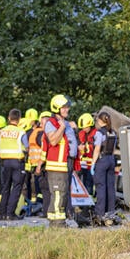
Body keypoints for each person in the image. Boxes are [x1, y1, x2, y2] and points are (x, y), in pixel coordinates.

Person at [42, 94, 78, 227]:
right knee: (58, 193)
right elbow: (53, 140)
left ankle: (57, 221)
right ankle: (57, 223)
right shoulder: (51, 123)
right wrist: (62, 128)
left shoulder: (65, 122)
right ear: (56, 108)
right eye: (64, 108)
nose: (67, 110)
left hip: (66, 163)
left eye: (67, 107)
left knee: (63, 193)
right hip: (57, 164)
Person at [0, 109, 28, 221]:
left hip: (4, 162)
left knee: (5, 187)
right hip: (17, 162)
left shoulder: (1, 132)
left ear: (9, 118)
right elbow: (27, 147)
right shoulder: (21, 132)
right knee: (16, 188)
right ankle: (10, 213)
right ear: (19, 119)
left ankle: (2, 214)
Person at [91, 111, 120, 226]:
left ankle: (100, 213)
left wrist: (93, 163)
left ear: (99, 121)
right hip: (111, 160)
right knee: (110, 187)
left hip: (102, 160)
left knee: (100, 187)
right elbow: (113, 149)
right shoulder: (112, 132)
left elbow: (97, 149)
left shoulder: (99, 133)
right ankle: (110, 212)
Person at [76, 112, 96, 196]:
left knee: (90, 185)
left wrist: (86, 147)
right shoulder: (81, 133)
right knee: (82, 184)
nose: (84, 129)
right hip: (82, 165)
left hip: (92, 165)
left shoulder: (96, 133)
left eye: (86, 127)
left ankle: (91, 203)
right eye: (83, 128)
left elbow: (96, 147)